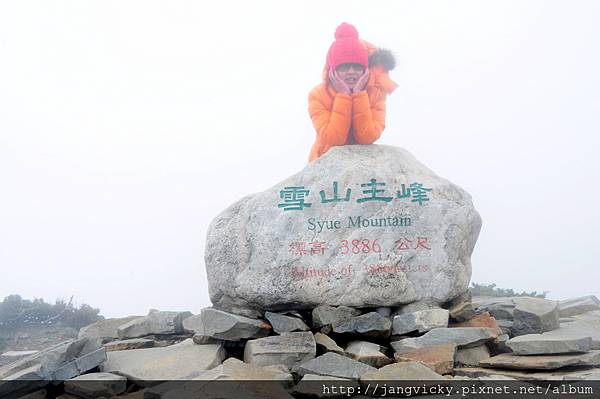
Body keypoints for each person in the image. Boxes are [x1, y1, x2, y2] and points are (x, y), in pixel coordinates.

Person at [308, 22, 398, 162]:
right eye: (344, 67)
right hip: (325, 162)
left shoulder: (376, 93)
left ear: (365, 70)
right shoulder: (318, 94)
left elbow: (368, 136)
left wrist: (359, 95)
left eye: (357, 67)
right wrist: (343, 96)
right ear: (333, 71)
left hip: (363, 164)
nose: (351, 72)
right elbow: (333, 138)